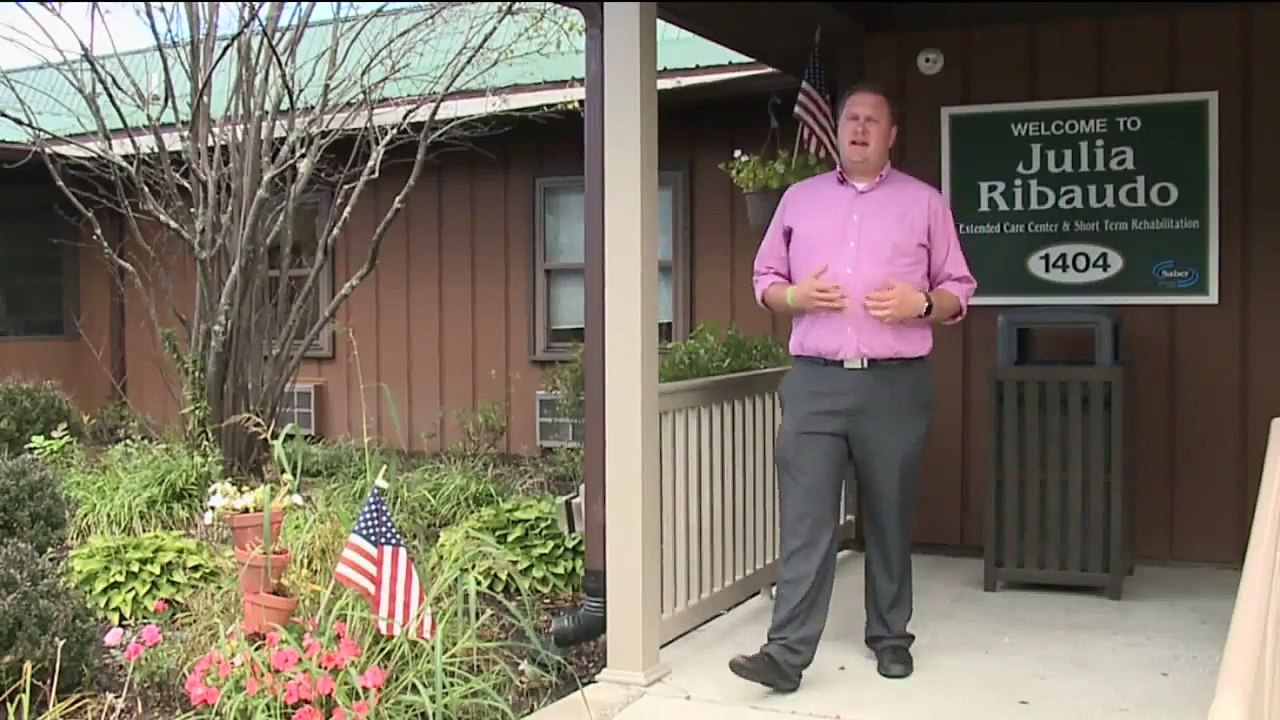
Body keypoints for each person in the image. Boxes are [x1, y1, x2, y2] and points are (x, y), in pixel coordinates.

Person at [728, 80, 977, 691]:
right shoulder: (798, 200)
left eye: (872, 120)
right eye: (850, 120)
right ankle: (786, 655)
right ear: (835, 132)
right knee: (808, 518)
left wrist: (920, 303)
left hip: (895, 386)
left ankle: (890, 636)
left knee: (889, 515)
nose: (859, 128)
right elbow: (765, 278)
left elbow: (958, 291)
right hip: (815, 383)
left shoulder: (924, 202)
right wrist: (796, 296)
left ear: (891, 136)